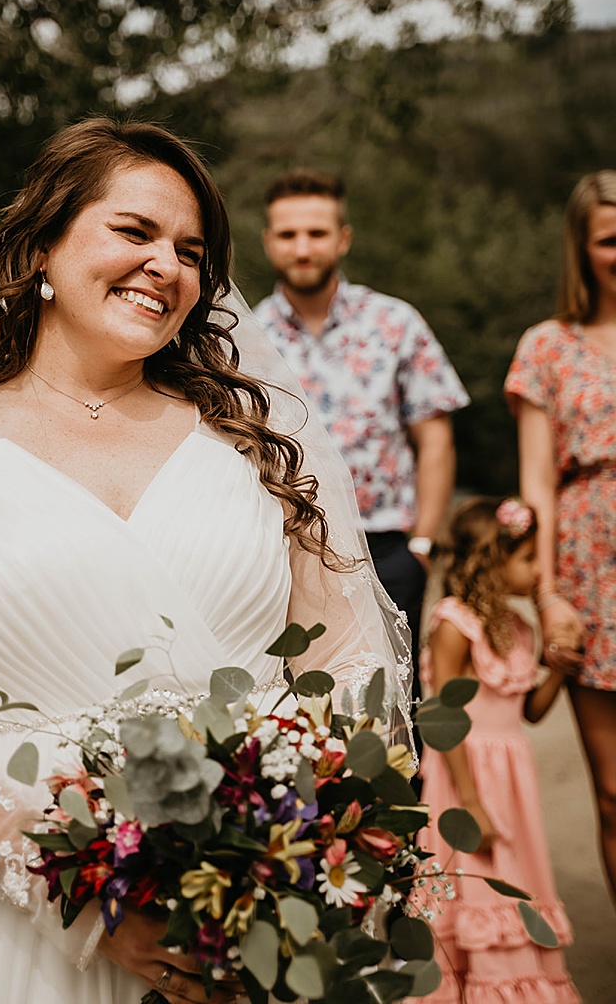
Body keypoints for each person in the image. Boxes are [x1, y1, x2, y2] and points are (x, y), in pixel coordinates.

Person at [0, 119, 410, 1004]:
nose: (166, 266)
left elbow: (348, 660)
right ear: (43, 248)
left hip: (243, 914)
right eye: (134, 232)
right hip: (7, 929)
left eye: (190, 251)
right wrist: (81, 891)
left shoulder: (261, 440)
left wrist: (279, 850)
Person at [253, 169, 469, 648]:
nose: (302, 248)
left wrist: (423, 545)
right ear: (269, 242)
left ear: (343, 238)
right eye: (288, 235)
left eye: (317, 233)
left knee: (395, 707)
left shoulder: (395, 322)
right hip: (285, 549)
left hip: (389, 547)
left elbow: (435, 440)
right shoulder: (245, 337)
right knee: (301, 708)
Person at [418, 497, 578, 1003]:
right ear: (491, 560)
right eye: (529, 558)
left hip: (512, 783)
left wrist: (558, 670)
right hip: (464, 778)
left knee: (515, 882)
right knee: (473, 880)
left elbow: (529, 711)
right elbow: (442, 719)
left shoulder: (521, 627)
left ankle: (517, 983)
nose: (539, 571)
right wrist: (470, 802)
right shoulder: (454, 623)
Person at [507, 169, 616, 905]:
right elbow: (538, 483)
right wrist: (549, 596)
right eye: (611, 238)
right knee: (614, 795)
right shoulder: (548, 345)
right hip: (591, 565)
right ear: (582, 248)